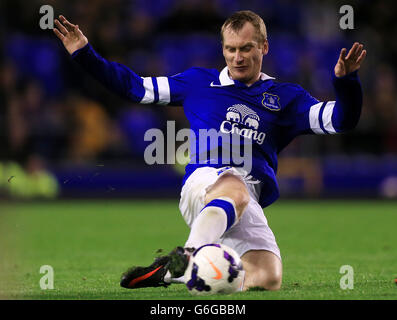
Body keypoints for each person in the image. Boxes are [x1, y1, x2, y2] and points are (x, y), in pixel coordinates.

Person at [53, 10, 366, 291]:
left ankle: (176, 274)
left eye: (246, 48)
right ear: (223, 49)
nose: (237, 57)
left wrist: (346, 83)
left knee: (267, 278)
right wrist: (84, 54)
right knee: (235, 187)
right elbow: (135, 87)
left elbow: (340, 121)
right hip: (205, 183)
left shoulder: (286, 98)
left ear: (264, 47)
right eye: (230, 49)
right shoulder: (198, 82)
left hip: (245, 199)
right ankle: (187, 258)